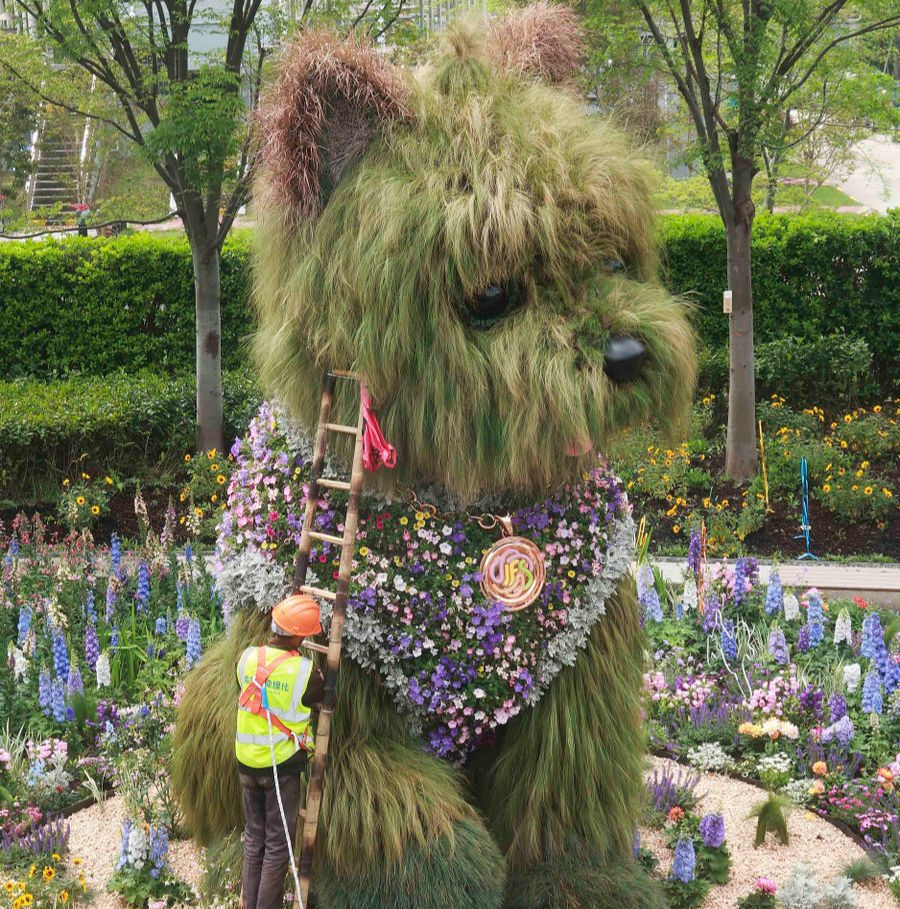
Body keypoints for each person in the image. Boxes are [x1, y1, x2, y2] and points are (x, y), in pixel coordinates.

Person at [235, 594, 325, 909]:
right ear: (300, 635)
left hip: (246, 764)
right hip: (280, 768)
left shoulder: (246, 658)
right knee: (276, 847)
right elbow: (326, 703)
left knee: (254, 839)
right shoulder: (305, 672)